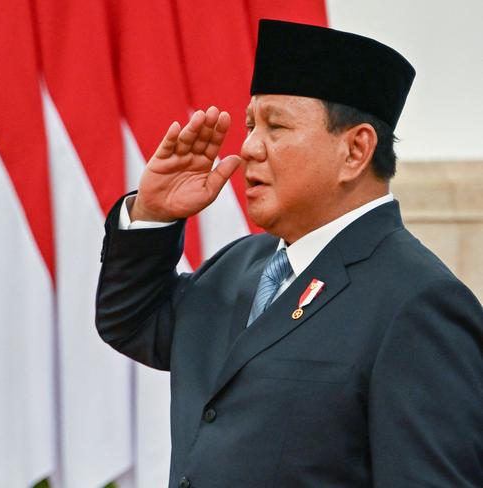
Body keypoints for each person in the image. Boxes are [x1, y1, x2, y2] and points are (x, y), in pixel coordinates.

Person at [96, 19, 483, 488]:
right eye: (250, 125)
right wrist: (152, 213)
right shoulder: (240, 266)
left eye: (275, 126)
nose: (249, 147)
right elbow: (132, 321)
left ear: (356, 150)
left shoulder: (418, 303)